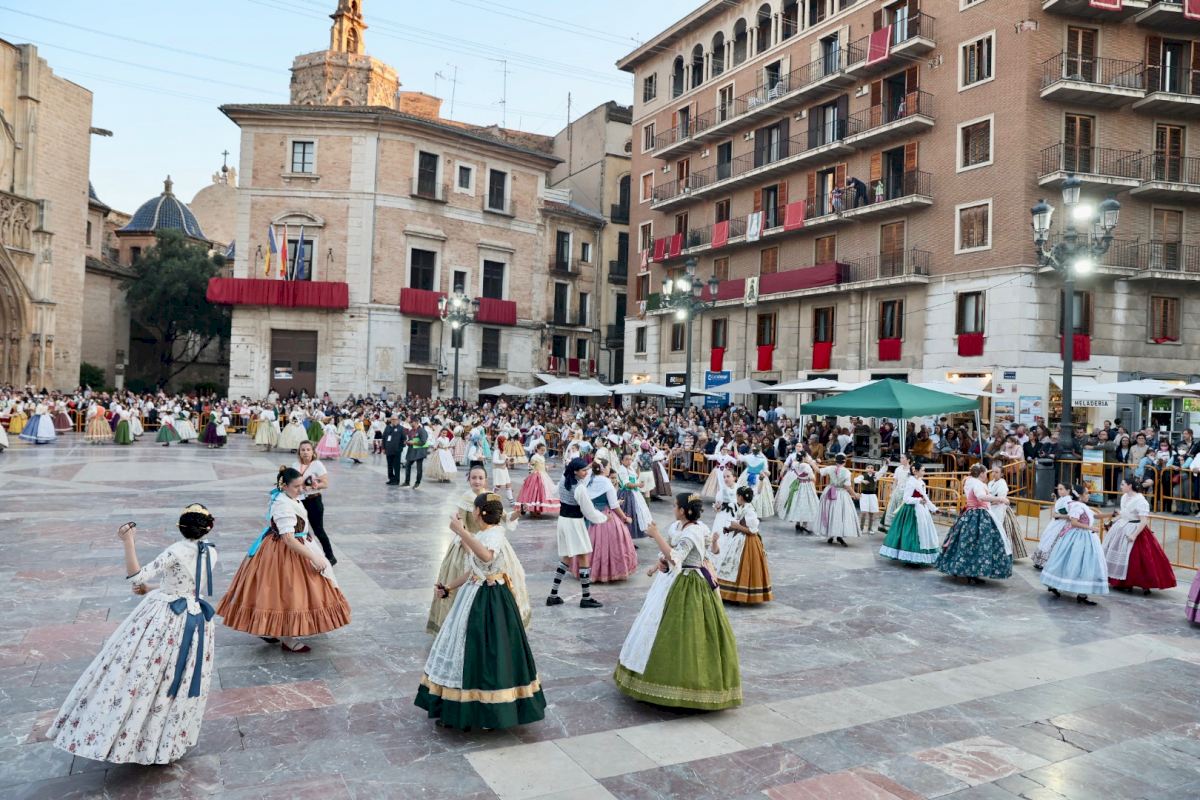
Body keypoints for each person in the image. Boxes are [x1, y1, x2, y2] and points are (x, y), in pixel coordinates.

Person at [49, 509, 217, 764]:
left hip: (167, 619)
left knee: (140, 672)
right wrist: (152, 588)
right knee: (179, 676)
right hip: (196, 619)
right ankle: (166, 740)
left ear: (180, 527)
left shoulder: (175, 551)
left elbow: (137, 575)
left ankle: (128, 737)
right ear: (208, 528)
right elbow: (188, 585)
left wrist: (128, 540)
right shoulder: (211, 551)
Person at [416, 493, 544, 731]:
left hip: (490, 600)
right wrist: (449, 587)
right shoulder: (484, 534)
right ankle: (464, 707)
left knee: (485, 653)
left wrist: (461, 531)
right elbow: (474, 568)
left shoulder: (495, 534)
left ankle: (488, 711)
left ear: (478, 512)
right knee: (465, 652)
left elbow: (486, 556)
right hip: (473, 593)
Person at [614, 494, 741, 710]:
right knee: (656, 625)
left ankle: (686, 687)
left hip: (689, 583)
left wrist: (656, 535)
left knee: (684, 632)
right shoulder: (684, 527)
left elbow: (677, 557)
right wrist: (660, 564)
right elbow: (671, 557)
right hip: (674, 579)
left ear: (683, 510)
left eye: (675, 506)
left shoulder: (694, 532)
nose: (673, 509)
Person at [216, 466, 351, 652]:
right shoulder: (282, 504)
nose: (301, 489)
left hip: (295, 545)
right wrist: (314, 557)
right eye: (297, 486)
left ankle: (271, 629)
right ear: (284, 486)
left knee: (283, 592)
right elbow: (288, 539)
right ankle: (287, 637)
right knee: (286, 592)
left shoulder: (288, 496)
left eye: (302, 485)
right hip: (285, 552)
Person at [936, 464, 1012, 585]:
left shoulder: (970, 481)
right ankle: (972, 573)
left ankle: (964, 569)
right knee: (979, 543)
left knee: (966, 542)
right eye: (985, 473)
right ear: (981, 473)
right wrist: (1000, 499)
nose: (987, 475)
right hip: (978, 514)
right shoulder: (977, 484)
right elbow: (981, 497)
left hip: (970, 513)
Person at [569, 458, 637, 583]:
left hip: (589, 515)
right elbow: (614, 505)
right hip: (606, 517)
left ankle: (586, 570)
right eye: (608, 466)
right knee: (608, 545)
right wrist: (625, 518)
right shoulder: (606, 482)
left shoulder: (588, 480)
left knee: (589, 543)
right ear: (603, 469)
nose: (609, 469)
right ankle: (606, 572)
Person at [547, 457, 603, 608]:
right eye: (583, 470)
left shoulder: (563, 480)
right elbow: (588, 511)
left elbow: (554, 492)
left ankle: (553, 595)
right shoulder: (579, 488)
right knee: (583, 556)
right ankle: (586, 597)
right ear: (575, 472)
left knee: (566, 557)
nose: (586, 472)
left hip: (563, 521)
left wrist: (588, 466)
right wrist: (603, 518)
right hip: (575, 523)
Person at [1104, 479, 1176, 595]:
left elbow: (1143, 521)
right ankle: (1122, 582)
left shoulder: (1141, 501)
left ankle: (1140, 583)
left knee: (1137, 558)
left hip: (1136, 529)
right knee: (1121, 555)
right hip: (1122, 528)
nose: (1121, 486)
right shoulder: (1124, 497)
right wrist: (1112, 521)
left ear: (1130, 486)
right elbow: (1124, 514)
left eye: (1123, 484)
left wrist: (1134, 535)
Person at [1041, 485, 1107, 605]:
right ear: (1080, 496)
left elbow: (1095, 515)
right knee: (1073, 562)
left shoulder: (1082, 506)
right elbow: (1074, 523)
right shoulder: (1076, 506)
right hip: (1077, 536)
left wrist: (1111, 514)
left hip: (1085, 536)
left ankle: (1081, 593)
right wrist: (1091, 528)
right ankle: (1057, 585)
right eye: (1086, 493)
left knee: (1079, 563)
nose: (1088, 495)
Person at [717, 486, 773, 604]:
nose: (736, 498)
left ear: (741, 497)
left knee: (741, 565)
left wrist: (737, 526)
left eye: (737, 496)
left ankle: (736, 595)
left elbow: (752, 530)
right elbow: (740, 524)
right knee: (731, 564)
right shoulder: (742, 508)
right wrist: (730, 529)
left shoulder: (749, 511)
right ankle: (728, 593)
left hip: (747, 542)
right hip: (738, 538)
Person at [879, 463, 940, 565]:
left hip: (921, 510)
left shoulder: (920, 481)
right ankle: (910, 557)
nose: (924, 472)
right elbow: (906, 498)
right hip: (912, 511)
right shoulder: (911, 482)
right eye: (922, 470)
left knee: (922, 533)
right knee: (911, 534)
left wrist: (934, 508)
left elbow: (925, 497)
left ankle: (918, 557)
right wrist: (918, 500)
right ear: (916, 471)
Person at [296, 440, 335, 566]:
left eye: (308, 450)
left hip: (314, 500)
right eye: (303, 450)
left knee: (318, 530)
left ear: (313, 452)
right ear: (299, 452)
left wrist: (316, 485)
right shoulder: (295, 465)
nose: (305, 452)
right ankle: (305, 556)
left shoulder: (317, 465)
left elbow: (325, 483)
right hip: (299, 501)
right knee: (301, 529)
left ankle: (330, 556)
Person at [987, 464, 1028, 560]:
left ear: (1001, 474)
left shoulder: (1002, 483)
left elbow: (1000, 499)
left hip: (1000, 509)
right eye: (993, 472)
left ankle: (1004, 554)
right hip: (991, 508)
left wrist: (989, 501)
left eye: (997, 472)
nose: (994, 474)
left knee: (1003, 530)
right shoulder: (990, 483)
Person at [818, 454, 860, 546]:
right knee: (840, 514)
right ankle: (839, 535)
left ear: (836, 461)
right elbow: (847, 486)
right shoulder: (846, 472)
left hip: (830, 492)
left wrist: (811, 461)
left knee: (831, 513)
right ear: (844, 462)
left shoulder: (830, 468)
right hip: (841, 494)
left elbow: (818, 471)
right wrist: (855, 494)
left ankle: (831, 535)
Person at [776, 447, 819, 533]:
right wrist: (812, 464)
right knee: (807, 503)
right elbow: (813, 478)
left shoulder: (795, 464)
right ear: (804, 457)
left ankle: (798, 523)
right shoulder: (806, 466)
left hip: (798, 484)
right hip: (806, 485)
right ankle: (804, 524)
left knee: (797, 502)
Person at [1032, 484, 1073, 570]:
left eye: (1061, 489)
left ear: (1068, 490)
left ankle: (1046, 563)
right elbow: (1058, 507)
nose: (1059, 491)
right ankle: (1040, 561)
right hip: (1055, 523)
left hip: (1061, 524)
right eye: (1058, 489)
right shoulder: (1062, 499)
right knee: (1046, 540)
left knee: (1052, 542)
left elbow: (1071, 515)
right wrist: (1055, 500)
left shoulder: (1069, 501)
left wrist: (1058, 515)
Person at [516, 443, 560, 516]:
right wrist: (532, 474)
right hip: (535, 476)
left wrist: (550, 466)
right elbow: (530, 466)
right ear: (538, 449)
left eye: (544, 450)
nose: (543, 452)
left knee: (541, 492)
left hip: (543, 476)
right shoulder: (534, 457)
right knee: (534, 492)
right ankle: (533, 510)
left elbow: (543, 467)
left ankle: (538, 509)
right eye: (541, 450)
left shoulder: (542, 457)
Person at [735, 445, 775, 520]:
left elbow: (737, 456)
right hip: (759, 477)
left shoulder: (748, 457)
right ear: (760, 451)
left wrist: (735, 447)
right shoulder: (763, 459)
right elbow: (766, 470)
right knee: (758, 494)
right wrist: (767, 473)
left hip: (747, 476)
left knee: (745, 492)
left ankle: (744, 510)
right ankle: (755, 512)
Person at [881, 454, 911, 532]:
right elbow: (895, 481)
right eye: (900, 458)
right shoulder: (898, 469)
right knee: (892, 510)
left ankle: (901, 530)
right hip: (897, 491)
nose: (901, 459)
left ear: (908, 460)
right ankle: (891, 530)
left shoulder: (911, 470)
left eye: (903, 458)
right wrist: (892, 492)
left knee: (901, 511)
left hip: (906, 493)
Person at [855, 462, 883, 534]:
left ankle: (870, 529)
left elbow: (882, 472)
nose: (870, 469)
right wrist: (862, 481)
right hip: (864, 495)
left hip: (872, 496)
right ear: (866, 469)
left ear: (873, 469)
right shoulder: (862, 476)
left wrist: (886, 465)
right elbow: (856, 480)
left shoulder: (875, 476)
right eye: (868, 468)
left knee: (871, 513)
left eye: (871, 468)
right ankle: (861, 528)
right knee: (864, 512)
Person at [402, 417, 429, 487]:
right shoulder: (411, 431)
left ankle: (417, 482)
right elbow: (410, 440)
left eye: (412, 422)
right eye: (410, 423)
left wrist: (413, 442)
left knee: (419, 468)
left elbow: (423, 442)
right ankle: (407, 482)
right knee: (407, 465)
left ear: (417, 422)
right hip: (411, 451)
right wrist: (407, 442)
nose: (411, 424)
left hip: (419, 452)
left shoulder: (422, 431)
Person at [383, 414, 405, 485]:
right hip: (388, 450)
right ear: (390, 420)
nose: (394, 421)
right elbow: (384, 437)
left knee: (396, 466)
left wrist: (400, 448)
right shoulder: (387, 427)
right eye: (392, 419)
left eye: (395, 419)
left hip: (397, 450)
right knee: (389, 465)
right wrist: (383, 448)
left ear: (398, 420)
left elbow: (404, 439)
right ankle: (391, 479)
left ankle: (396, 480)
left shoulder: (401, 428)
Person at [492, 434, 514, 502]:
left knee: (508, 484)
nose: (505, 443)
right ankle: (491, 495)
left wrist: (509, 458)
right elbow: (494, 461)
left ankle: (511, 499)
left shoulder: (502, 450)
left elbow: (504, 457)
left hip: (504, 469)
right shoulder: (496, 451)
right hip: (498, 469)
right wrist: (504, 461)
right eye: (504, 442)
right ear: (501, 442)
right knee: (498, 485)